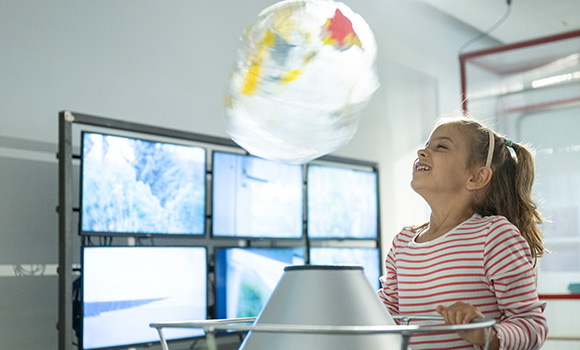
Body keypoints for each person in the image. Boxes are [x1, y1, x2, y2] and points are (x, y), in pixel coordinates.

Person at [378, 115, 548, 350]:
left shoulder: (494, 236)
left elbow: (532, 325)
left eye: (441, 146)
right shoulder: (402, 244)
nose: (422, 151)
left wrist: (486, 333)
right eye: (427, 144)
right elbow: (385, 314)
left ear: (477, 177)